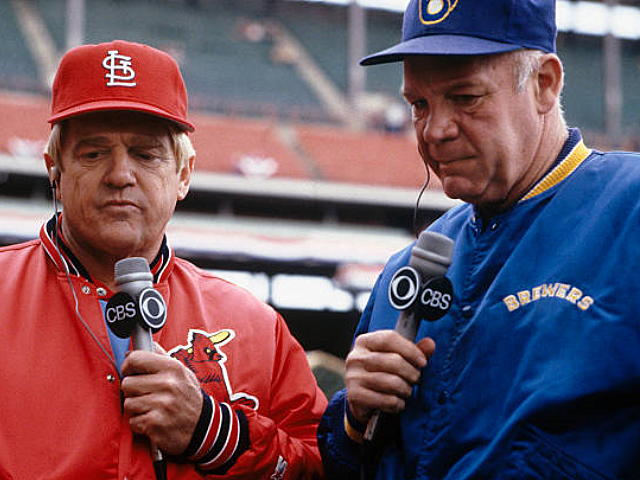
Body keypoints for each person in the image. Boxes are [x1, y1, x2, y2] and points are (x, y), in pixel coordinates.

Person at [318, 0, 640, 478]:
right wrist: (354, 421)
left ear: (544, 84)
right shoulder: (406, 269)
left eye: (465, 97)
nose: (435, 131)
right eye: (419, 105)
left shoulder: (630, 209)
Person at [0, 39, 326, 479]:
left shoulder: (255, 326)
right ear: (54, 170)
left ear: (183, 175)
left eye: (145, 154)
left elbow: (322, 466)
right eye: (93, 153)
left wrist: (213, 432)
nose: (120, 175)